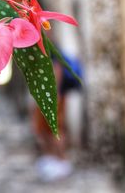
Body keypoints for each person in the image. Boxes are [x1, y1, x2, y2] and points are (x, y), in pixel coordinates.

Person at [32, 50, 82, 182]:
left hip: (53, 99)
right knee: (45, 131)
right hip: (45, 99)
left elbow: (56, 76)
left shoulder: (51, 53)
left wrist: (54, 99)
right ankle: (53, 160)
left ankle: (62, 162)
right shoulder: (41, 53)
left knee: (56, 131)